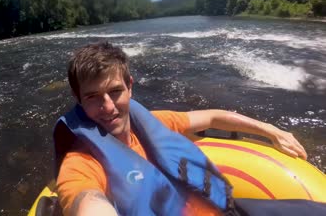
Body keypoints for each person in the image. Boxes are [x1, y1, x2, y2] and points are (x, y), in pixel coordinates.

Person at [53, 42, 318, 216]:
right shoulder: (81, 162)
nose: (108, 107)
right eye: (93, 97)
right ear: (78, 100)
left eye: (115, 91)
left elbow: (215, 117)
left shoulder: (153, 122)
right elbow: (87, 201)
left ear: (130, 86)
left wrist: (270, 130)